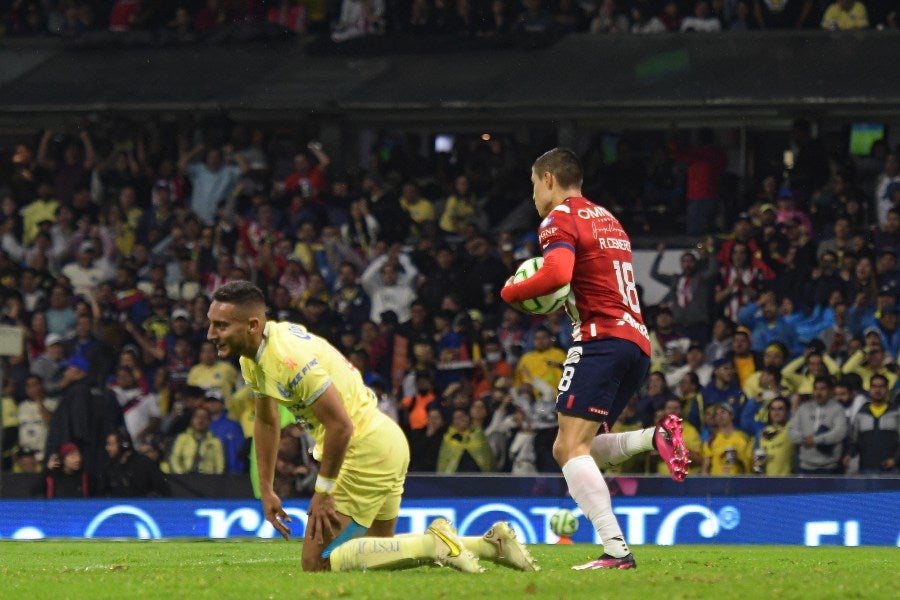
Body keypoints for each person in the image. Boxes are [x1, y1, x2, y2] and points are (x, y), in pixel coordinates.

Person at [207, 280, 539, 573]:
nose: (210, 334)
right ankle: (491, 544)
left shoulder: (285, 357)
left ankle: (434, 543)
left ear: (252, 324)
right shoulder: (253, 359)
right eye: (211, 324)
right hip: (384, 439)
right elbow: (266, 420)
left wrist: (324, 492)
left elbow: (341, 427)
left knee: (316, 562)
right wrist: (266, 488)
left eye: (220, 326)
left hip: (363, 448)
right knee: (379, 552)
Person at [500, 148, 688, 570]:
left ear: (548, 179)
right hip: (636, 343)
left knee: (568, 447)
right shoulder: (609, 220)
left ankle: (616, 551)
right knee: (582, 448)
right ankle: (652, 439)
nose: (533, 195)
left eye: (533, 185)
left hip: (599, 340)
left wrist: (510, 291)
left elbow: (557, 275)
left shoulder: (559, 218)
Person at [787, 375, 848, 474]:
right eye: (816, 389)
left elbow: (840, 432)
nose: (818, 393)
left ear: (830, 391)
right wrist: (804, 439)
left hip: (830, 468)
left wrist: (815, 440)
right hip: (805, 467)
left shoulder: (837, 409)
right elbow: (792, 431)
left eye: (823, 389)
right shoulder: (803, 408)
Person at [97, 428, 171, 497]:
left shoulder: (145, 464)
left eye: (111, 444)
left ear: (124, 445)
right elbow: (102, 496)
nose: (107, 448)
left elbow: (164, 492)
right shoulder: (109, 467)